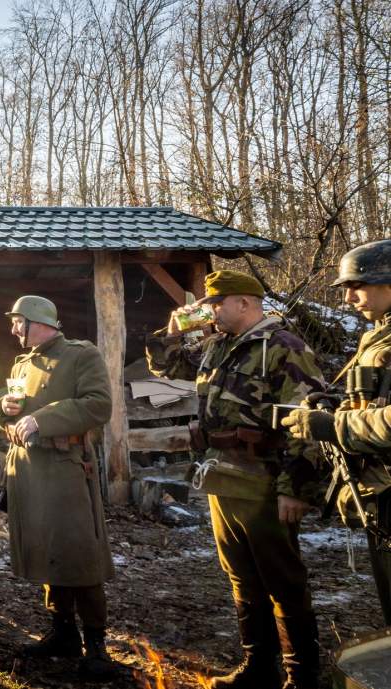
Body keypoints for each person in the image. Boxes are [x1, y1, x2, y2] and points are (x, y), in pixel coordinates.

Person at [147, 270, 325, 689]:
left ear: (243, 302)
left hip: (264, 478)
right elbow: (166, 364)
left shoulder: (283, 348)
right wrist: (172, 332)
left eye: (215, 303)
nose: (209, 311)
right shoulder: (219, 345)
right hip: (222, 475)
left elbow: (309, 420)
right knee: (241, 575)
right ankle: (258, 669)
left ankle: (303, 677)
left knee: (282, 578)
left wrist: (295, 488)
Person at [0, 296, 116, 681]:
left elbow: (99, 405)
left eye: (18, 322)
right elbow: (7, 409)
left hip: (65, 468)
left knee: (79, 553)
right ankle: (63, 632)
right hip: (29, 470)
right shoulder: (22, 363)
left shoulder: (81, 354)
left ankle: (96, 644)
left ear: (37, 321)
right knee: (48, 550)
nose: (13, 330)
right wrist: (5, 410)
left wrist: (41, 419)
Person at [282, 238, 391, 625]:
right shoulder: (378, 336)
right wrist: (332, 407)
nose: (348, 298)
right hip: (381, 494)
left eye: (356, 286)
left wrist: (332, 425)